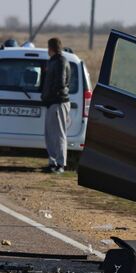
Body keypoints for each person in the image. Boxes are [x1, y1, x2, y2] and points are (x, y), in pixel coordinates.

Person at [41, 37, 71, 174]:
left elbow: (60, 83)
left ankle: (60, 164)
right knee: (49, 134)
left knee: (59, 134)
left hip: (58, 102)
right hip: (51, 102)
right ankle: (52, 162)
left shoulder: (60, 61)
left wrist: (51, 96)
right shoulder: (52, 61)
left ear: (51, 48)